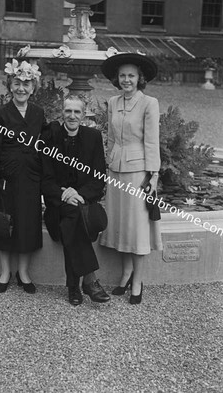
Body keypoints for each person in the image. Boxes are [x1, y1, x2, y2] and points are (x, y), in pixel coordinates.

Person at [99, 52, 162, 304]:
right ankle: (125, 274)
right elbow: (112, 138)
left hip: (138, 173)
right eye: (123, 75)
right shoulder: (113, 102)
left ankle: (138, 280)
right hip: (115, 171)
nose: (126, 80)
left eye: (131, 76)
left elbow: (152, 141)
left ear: (140, 78)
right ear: (118, 78)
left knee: (136, 229)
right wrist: (107, 166)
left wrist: (153, 176)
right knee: (120, 225)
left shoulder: (149, 103)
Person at [40, 95, 110, 306]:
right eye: (68, 111)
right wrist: (64, 195)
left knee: (74, 215)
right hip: (56, 207)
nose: (72, 116)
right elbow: (44, 181)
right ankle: (89, 280)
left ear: (84, 113)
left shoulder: (93, 137)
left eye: (77, 111)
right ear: (62, 112)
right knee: (71, 215)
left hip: (82, 204)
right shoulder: (49, 138)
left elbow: (99, 179)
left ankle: (74, 288)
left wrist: (79, 195)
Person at [0, 58, 46, 294]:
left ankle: (23, 272)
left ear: (33, 88)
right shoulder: (0, 113)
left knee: (27, 224)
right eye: (17, 83)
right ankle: (4, 272)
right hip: (7, 177)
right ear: (10, 85)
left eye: (27, 84)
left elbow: (45, 144)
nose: (22, 88)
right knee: (5, 224)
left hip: (31, 176)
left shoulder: (38, 113)